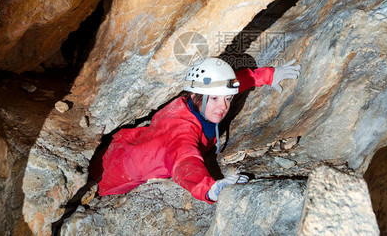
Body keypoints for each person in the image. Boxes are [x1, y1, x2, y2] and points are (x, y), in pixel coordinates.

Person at [97, 57, 301, 203]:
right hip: (112, 176)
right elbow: (184, 163)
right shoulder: (181, 131)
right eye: (215, 99)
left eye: (227, 99)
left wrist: (268, 75)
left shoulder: (197, 101)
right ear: (197, 96)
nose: (223, 106)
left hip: (127, 144)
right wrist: (211, 189)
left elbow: (230, 85)